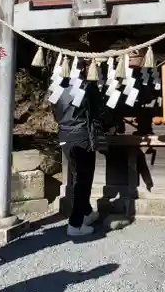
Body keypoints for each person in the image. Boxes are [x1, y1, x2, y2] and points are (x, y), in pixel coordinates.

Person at [52, 78, 112, 236]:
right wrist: (109, 123)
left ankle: (87, 212)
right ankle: (75, 224)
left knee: (76, 176)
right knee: (83, 180)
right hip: (82, 134)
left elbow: (54, 111)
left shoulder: (56, 84)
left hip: (64, 133)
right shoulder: (88, 85)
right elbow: (99, 110)